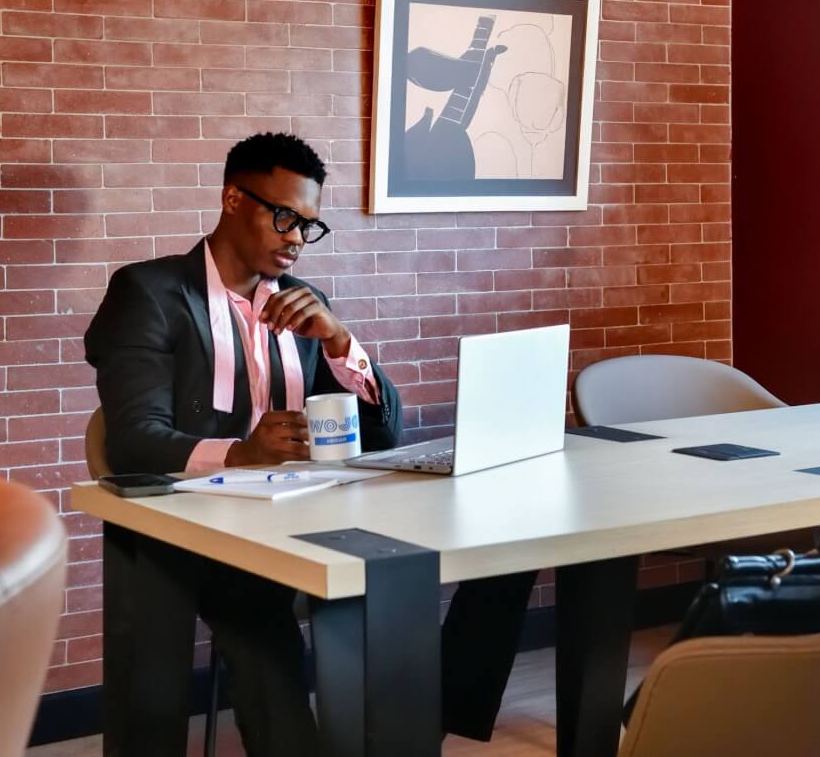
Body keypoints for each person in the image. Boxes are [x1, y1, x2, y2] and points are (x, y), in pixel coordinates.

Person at [84, 132, 533, 756]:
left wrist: (341, 344)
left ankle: (425, 726)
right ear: (233, 199)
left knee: (501, 555)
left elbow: (381, 434)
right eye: (286, 216)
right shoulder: (151, 293)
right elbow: (133, 442)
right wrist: (241, 452)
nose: (298, 237)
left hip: (305, 516)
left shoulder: (305, 305)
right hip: (198, 531)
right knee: (261, 624)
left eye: (310, 225)